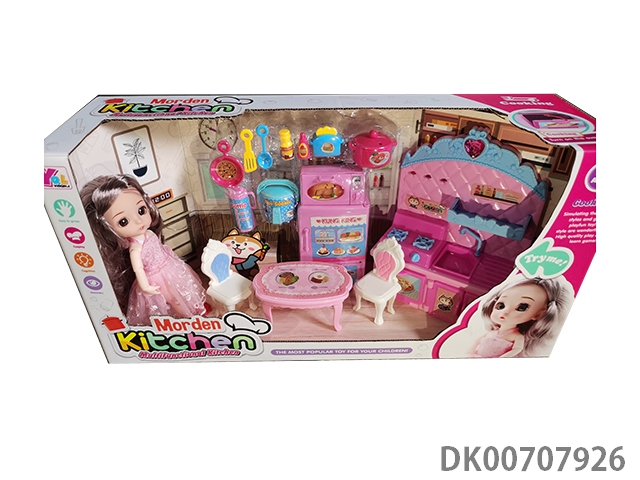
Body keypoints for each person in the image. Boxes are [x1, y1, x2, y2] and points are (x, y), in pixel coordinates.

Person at [81, 174, 206, 326]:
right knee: (172, 300)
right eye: (123, 221)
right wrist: (145, 286)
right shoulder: (135, 247)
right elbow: (138, 269)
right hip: (154, 277)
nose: (138, 220)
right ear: (107, 229)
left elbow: (160, 247)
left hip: (169, 266)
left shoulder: (150, 232)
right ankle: (187, 321)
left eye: (141, 210)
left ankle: (191, 317)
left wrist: (173, 259)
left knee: (182, 293)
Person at [474, 276, 573, 358]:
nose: (505, 311)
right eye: (501, 306)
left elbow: (517, 349)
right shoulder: (492, 332)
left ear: (538, 314)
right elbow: (475, 342)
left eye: (522, 307)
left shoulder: (517, 336)